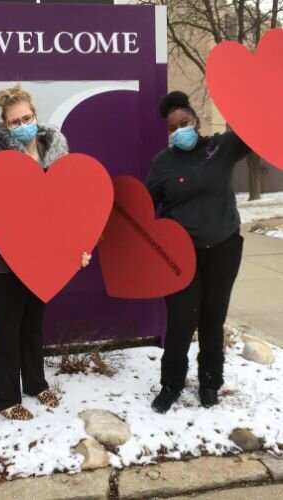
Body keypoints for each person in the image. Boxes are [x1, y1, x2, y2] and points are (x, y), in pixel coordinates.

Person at [0, 85, 91, 420]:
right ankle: (6, 399)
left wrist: (78, 247)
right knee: (7, 327)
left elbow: (68, 208)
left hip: (41, 258)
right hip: (2, 259)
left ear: (36, 116)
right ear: (6, 126)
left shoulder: (56, 154)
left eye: (27, 117)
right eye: (15, 121)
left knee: (33, 324)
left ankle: (36, 384)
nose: (22, 124)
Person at [145, 91, 250, 413]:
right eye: (173, 127)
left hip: (223, 248)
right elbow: (144, 205)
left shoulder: (221, 146)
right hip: (180, 257)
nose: (180, 131)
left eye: (185, 123)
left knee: (212, 319)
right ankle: (171, 384)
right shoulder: (163, 163)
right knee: (180, 321)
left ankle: (209, 383)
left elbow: (255, 130)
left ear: (197, 121)